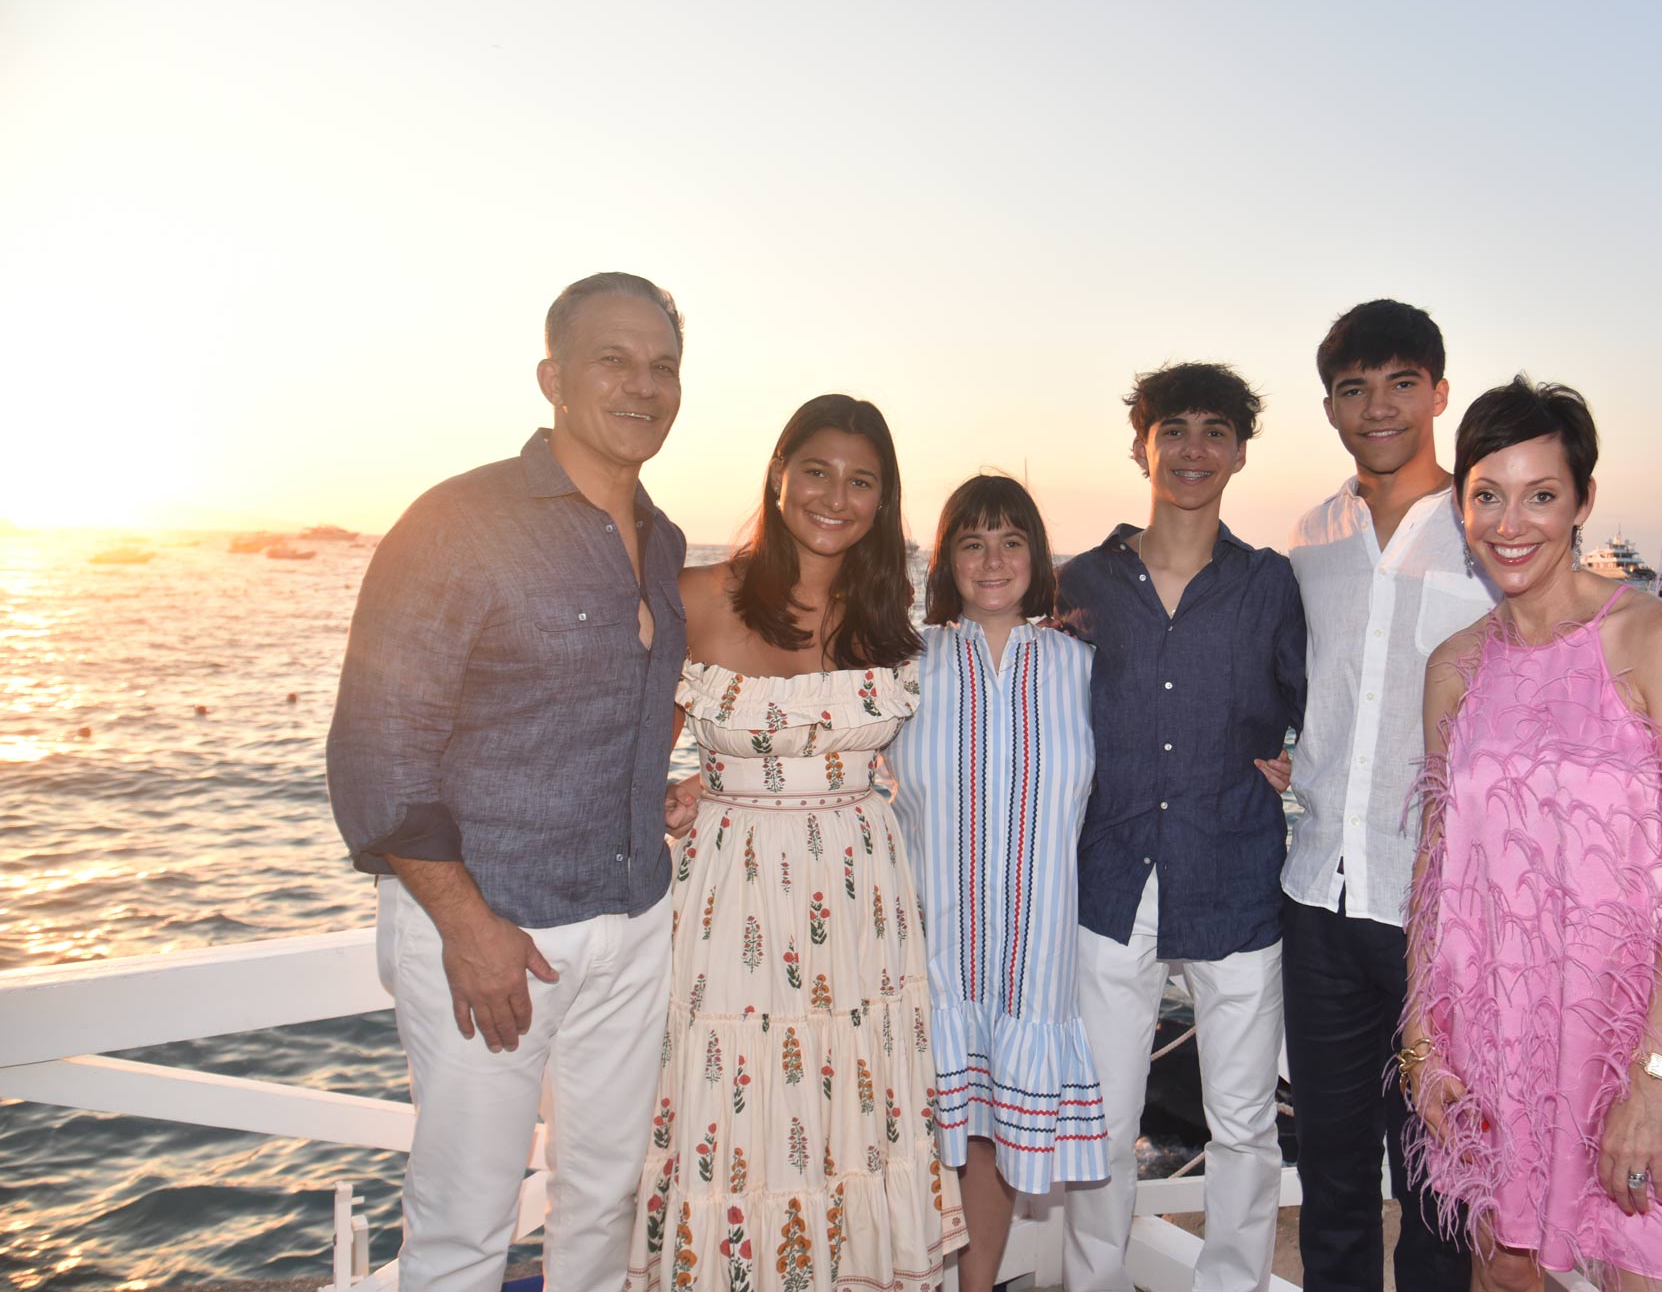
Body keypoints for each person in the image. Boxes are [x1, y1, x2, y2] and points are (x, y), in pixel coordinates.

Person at [327, 272, 688, 1292]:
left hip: (633, 924)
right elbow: (377, 747)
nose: (642, 384)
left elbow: (619, 706)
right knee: (463, 1228)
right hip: (493, 934)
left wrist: (665, 787)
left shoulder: (660, 541)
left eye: (662, 366)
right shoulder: (459, 521)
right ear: (553, 377)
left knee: (604, 1208)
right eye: (613, 359)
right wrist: (464, 925)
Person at [1402, 377, 1662, 1291]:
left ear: (1583, 500)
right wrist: (1422, 1041)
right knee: (1501, 1273)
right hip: (1502, 1036)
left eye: (1542, 494)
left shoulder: (1659, 639)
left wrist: (1654, 1076)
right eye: (1488, 495)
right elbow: (1436, 866)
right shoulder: (1453, 668)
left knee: (1656, 1268)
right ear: (1460, 504)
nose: (1513, 523)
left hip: (1649, 1032)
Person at [624, 395, 966, 1292]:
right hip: (734, 896)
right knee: (733, 1116)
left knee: (852, 1110)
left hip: (863, 905)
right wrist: (668, 794)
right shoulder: (700, 598)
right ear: (779, 475)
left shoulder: (891, 613)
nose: (835, 495)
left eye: (862, 480)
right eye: (816, 469)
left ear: (884, 499)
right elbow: (625, 750)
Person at [1057, 363, 1306, 1292]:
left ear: (1240, 450)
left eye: (1215, 430)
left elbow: (1325, 714)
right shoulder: (1079, 582)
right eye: (1175, 429)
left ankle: (1232, 1285)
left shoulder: (1272, 585)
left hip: (1236, 877)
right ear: (1141, 444)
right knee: (1104, 1119)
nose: (1194, 448)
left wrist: (1303, 770)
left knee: (1243, 1122)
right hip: (1106, 879)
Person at [1283, 300, 1489, 1291]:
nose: (1378, 407)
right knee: (1327, 1179)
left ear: (1438, 393)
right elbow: (1287, 683)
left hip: (1439, 917)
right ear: (1328, 405)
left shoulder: (1487, 533)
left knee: (1435, 1191)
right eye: (1354, 388)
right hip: (1314, 900)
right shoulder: (1308, 538)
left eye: (1401, 383)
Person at [890, 474, 1109, 1292]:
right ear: (945, 557)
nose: (993, 559)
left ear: (1037, 554)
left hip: (1033, 951)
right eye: (973, 541)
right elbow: (819, 746)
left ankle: (975, 1285)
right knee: (912, 1130)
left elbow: (1172, 746)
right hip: (922, 948)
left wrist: (1274, 752)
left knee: (991, 1130)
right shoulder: (900, 660)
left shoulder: (1082, 668)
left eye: (1011, 540)